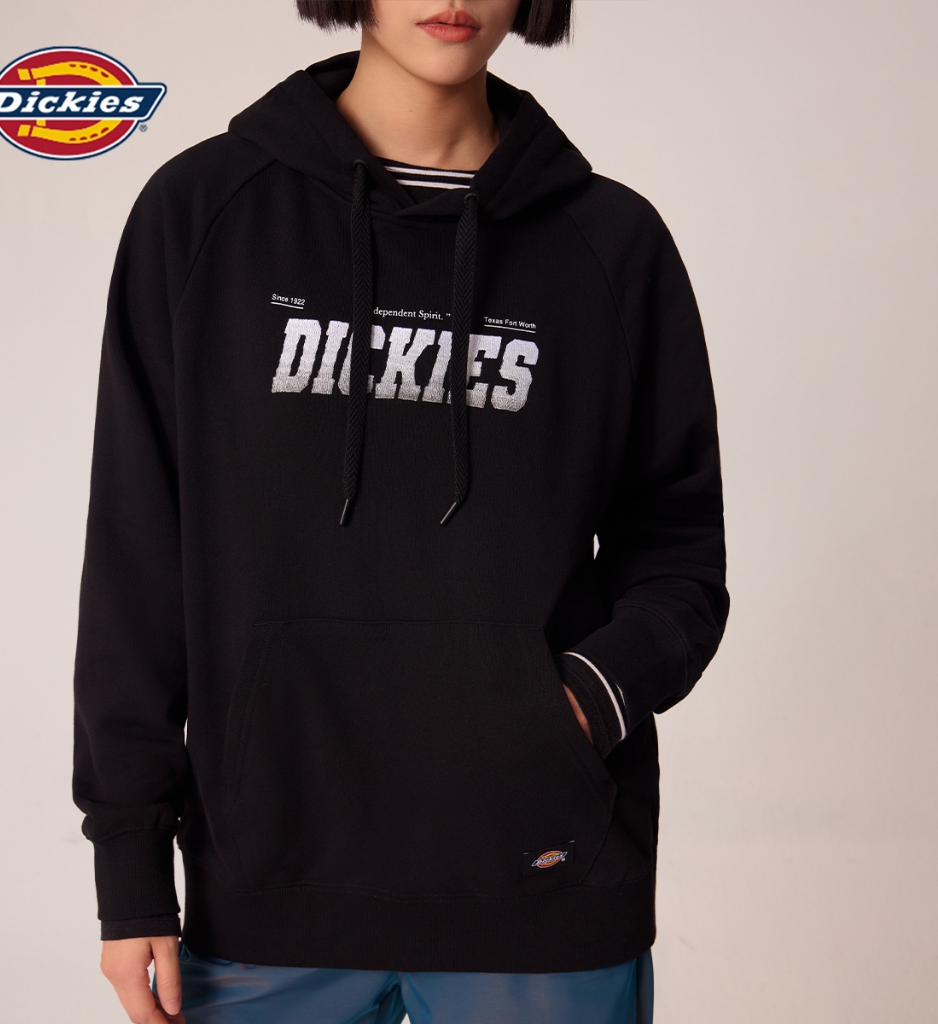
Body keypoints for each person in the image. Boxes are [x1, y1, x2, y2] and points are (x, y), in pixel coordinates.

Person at [73, 1, 729, 1021]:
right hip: (267, 893)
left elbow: (679, 552)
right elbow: (136, 559)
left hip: (543, 890)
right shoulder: (202, 214)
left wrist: (573, 707)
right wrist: (129, 864)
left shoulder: (611, 243)